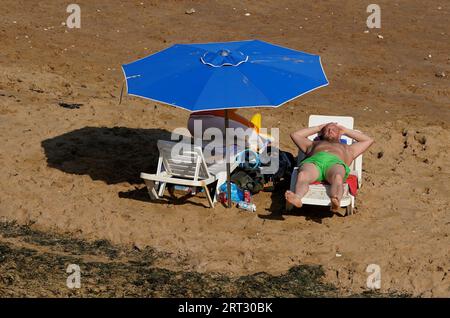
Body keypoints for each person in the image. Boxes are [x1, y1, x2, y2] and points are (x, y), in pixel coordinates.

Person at [285, 122, 374, 213]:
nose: (330, 130)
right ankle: (297, 197)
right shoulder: (313, 144)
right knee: (303, 175)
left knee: (338, 177)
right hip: (314, 162)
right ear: (322, 134)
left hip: (335, 163)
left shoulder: (348, 148)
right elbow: (295, 135)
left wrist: (346, 131)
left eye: (334, 130)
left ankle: (336, 199)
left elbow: (368, 140)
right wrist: (318, 128)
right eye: (327, 130)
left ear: (340, 134)